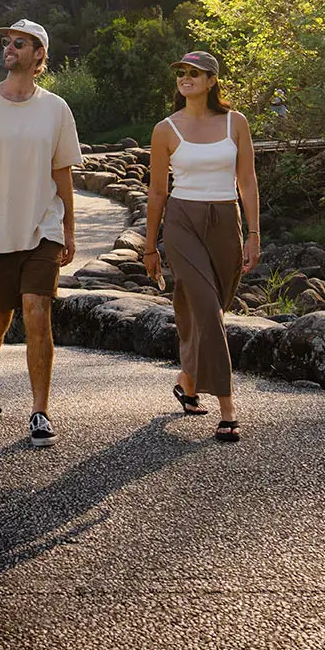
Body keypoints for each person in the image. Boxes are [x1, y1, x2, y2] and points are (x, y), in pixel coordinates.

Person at [0, 18, 81, 449]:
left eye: (19, 43)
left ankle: (40, 412)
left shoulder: (56, 109)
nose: (9, 47)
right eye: (6, 41)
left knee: (37, 314)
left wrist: (68, 228)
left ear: (39, 54)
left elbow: (61, 172)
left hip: (42, 228)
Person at [141, 50, 260, 442]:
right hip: (182, 221)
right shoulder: (165, 129)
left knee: (210, 305)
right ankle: (228, 410)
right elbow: (157, 192)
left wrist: (253, 234)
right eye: (182, 73)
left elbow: (247, 182)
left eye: (195, 73)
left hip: (226, 221)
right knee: (209, 310)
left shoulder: (236, 123)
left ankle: (187, 382)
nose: (186, 78)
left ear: (212, 81)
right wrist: (149, 246)